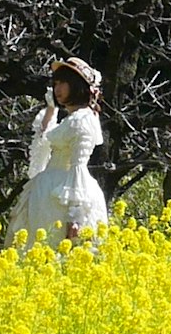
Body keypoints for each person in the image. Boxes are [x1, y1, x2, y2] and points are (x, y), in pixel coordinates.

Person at [9, 58, 113, 245]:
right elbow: (45, 140)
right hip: (47, 192)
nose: (57, 89)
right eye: (55, 83)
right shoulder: (69, 120)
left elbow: (77, 166)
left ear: (77, 86)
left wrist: (75, 216)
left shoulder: (83, 120)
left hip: (64, 195)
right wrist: (51, 109)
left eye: (63, 83)